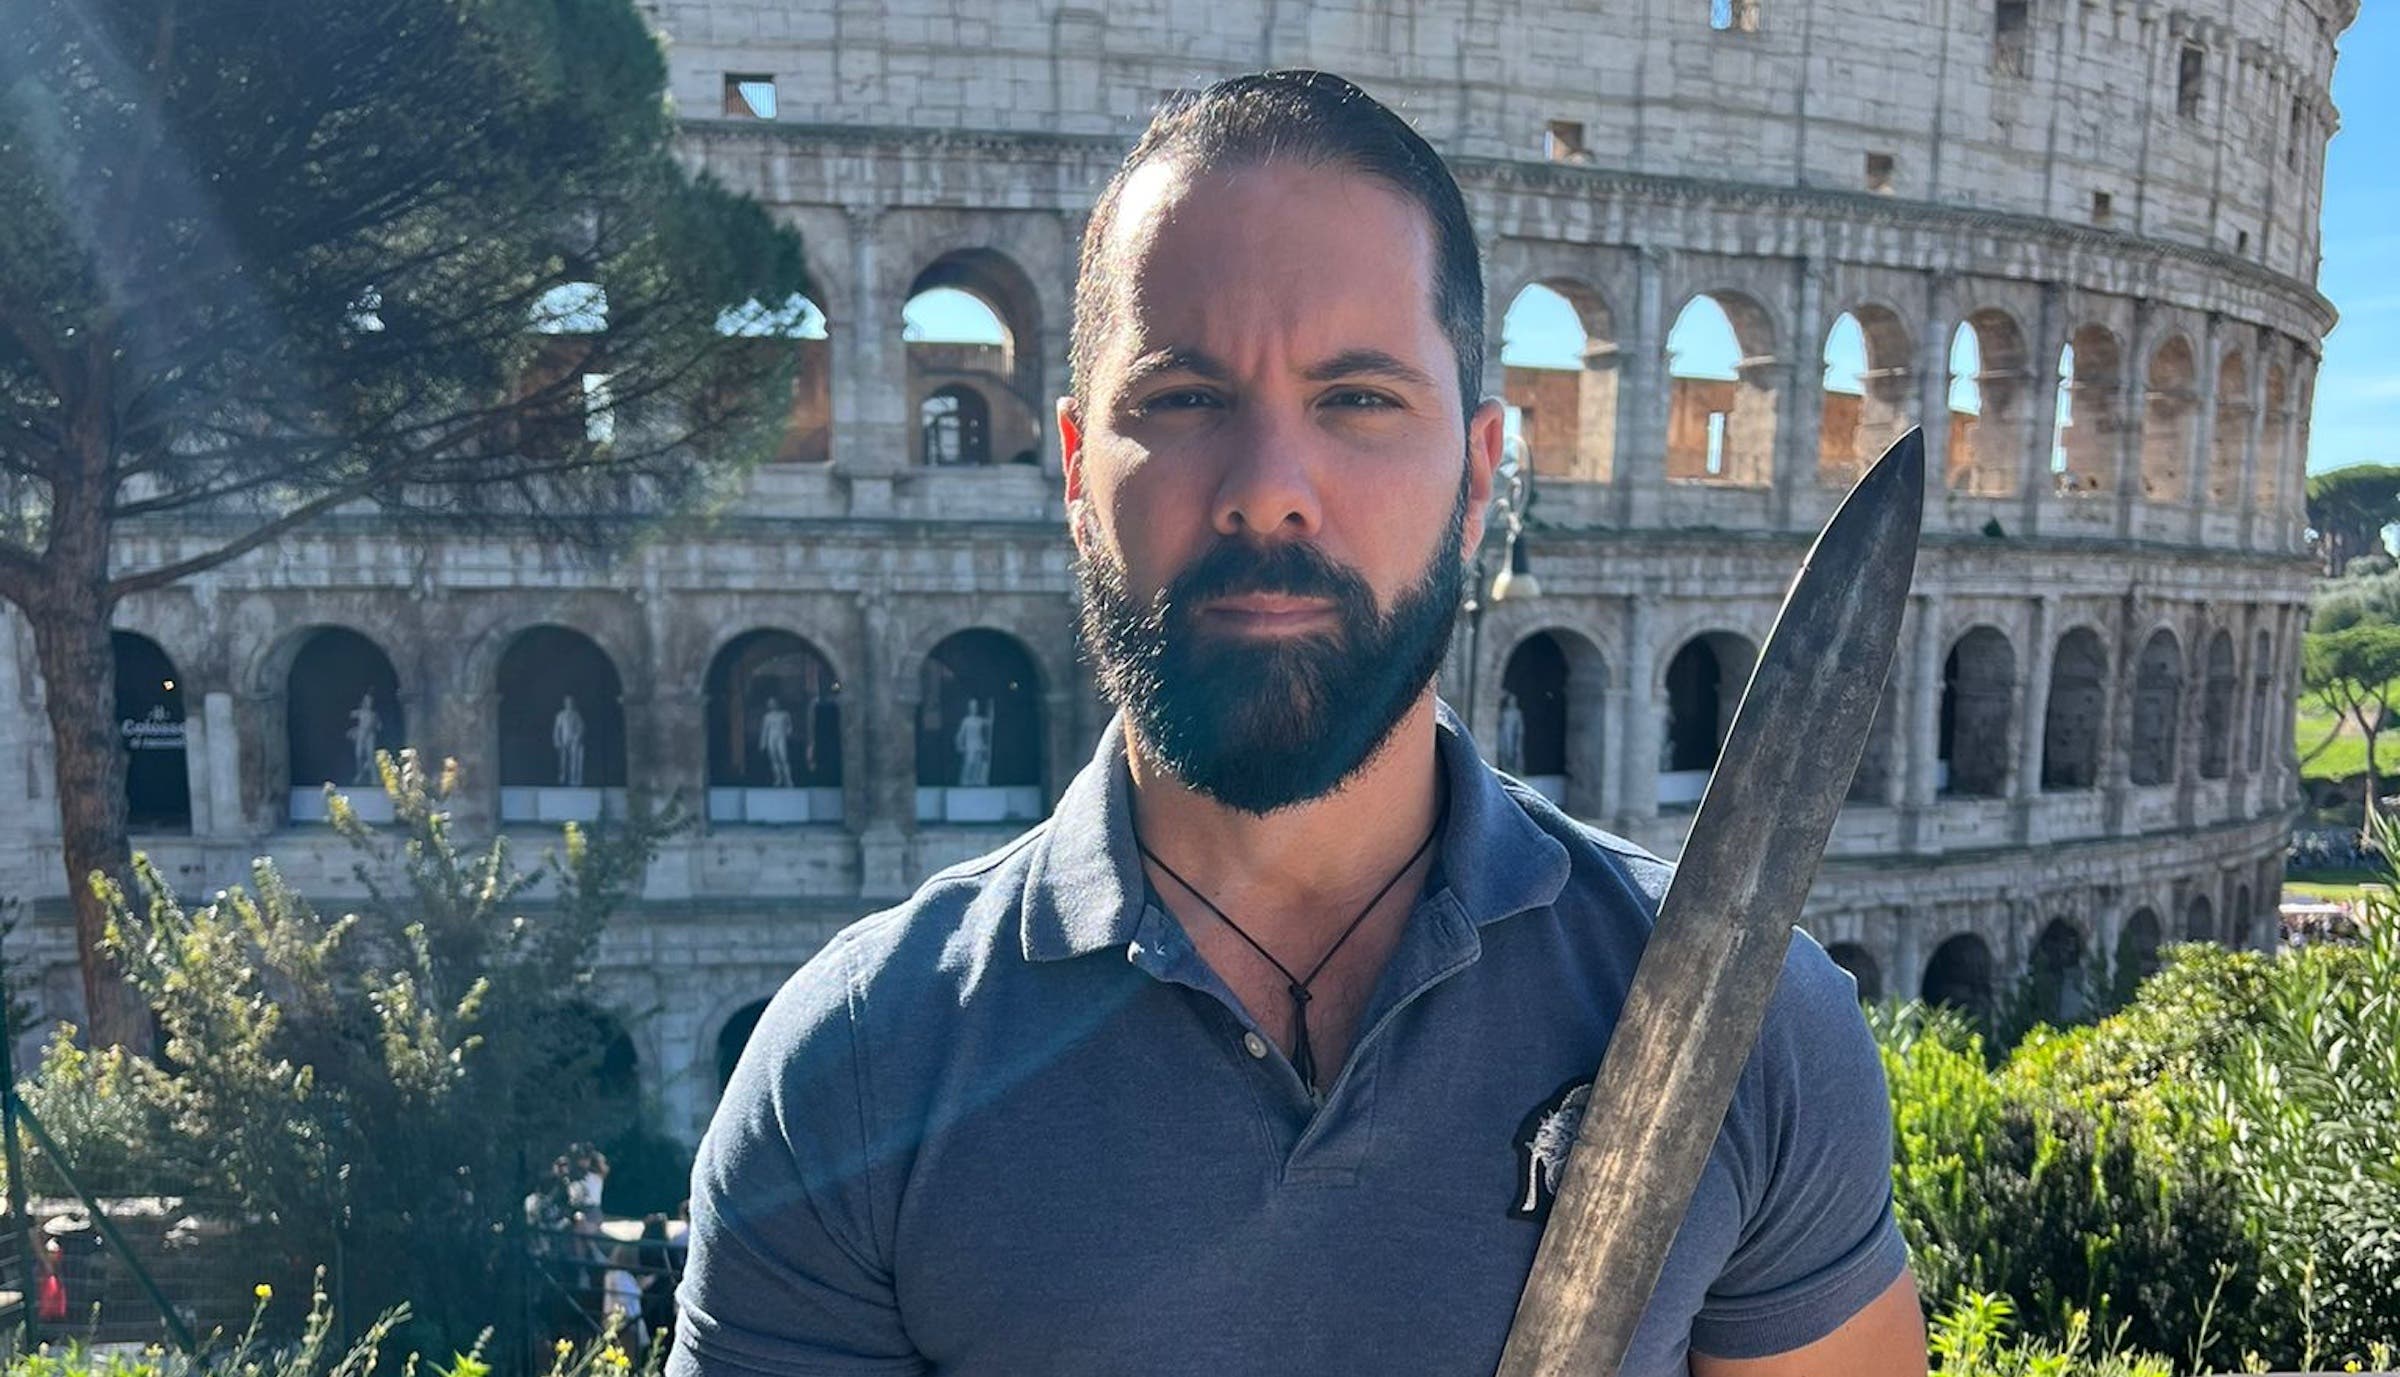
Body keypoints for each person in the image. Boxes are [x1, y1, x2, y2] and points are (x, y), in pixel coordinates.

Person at [673, 70, 1922, 1376]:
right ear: (1076, 472)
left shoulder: (1752, 1022)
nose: (1269, 492)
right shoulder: (850, 1077)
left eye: (1359, 399)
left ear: (1481, 472)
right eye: (1183, 397)